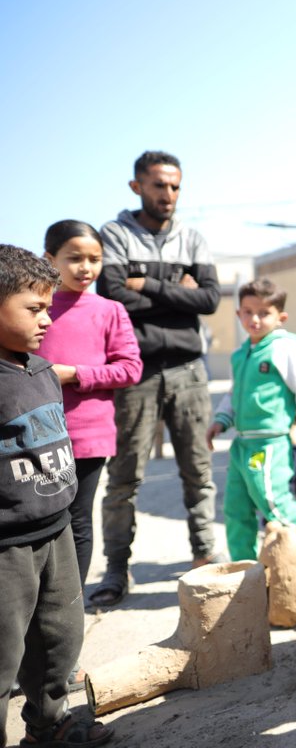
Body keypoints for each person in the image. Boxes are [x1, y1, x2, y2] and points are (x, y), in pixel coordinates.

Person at [90, 151, 222, 608]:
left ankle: (205, 557)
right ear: (137, 187)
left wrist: (145, 284)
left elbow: (208, 301)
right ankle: (115, 570)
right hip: (135, 372)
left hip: (188, 372)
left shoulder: (193, 238)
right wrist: (176, 292)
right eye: (158, 185)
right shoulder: (114, 234)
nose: (168, 195)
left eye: (175, 187)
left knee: (198, 472)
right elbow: (113, 296)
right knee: (125, 477)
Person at [0, 244, 114, 747]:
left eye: (49, 306)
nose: (47, 319)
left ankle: (48, 725)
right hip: (6, 549)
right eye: (34, 308)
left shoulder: (44, 371)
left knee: (59, 637)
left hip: (56, 529)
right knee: (2, 653)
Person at [37, 220, 143, 591]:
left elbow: (130, 367)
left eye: (95, 259)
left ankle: (70, 612)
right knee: (38, 521)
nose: (86, 268)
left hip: (87, 436)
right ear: (49, 259)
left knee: (77, 521)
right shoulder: (33, 306)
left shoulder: (110, 310)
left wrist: (75, 374)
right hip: (35, 435)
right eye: (75, 258)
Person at [205, 278, 296, 561]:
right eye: (248, 312)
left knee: (274, 502)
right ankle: (243, 567)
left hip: (269, 445)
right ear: (238, 314)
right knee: (235, 509)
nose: (255, 319)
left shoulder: (283, 349)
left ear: (280, 318)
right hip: (241, 445)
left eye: (264, 313)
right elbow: (235, 391)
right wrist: (221, 421)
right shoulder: (241, 354)